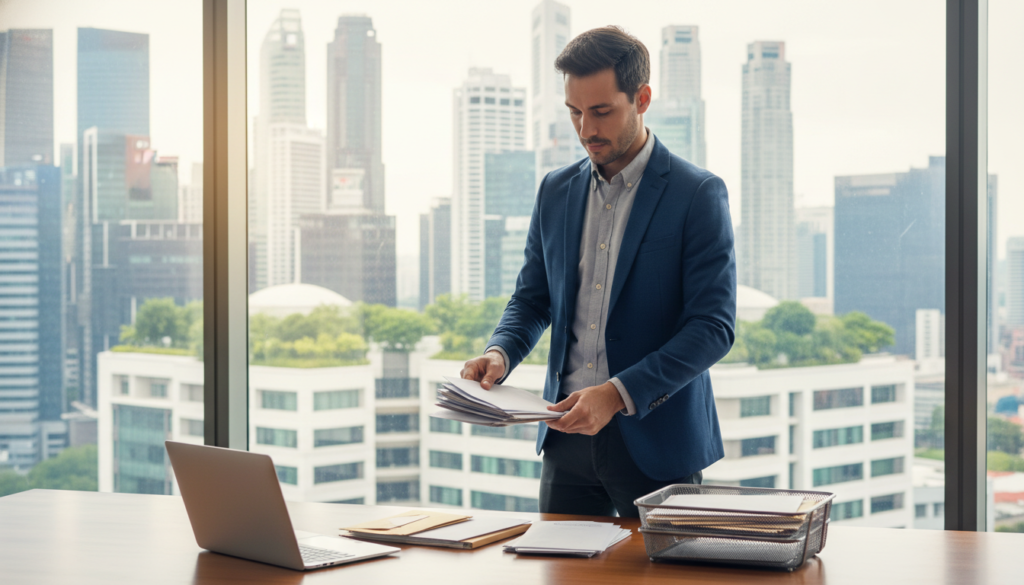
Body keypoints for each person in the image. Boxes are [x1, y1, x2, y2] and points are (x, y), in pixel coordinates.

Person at [460, 26, 736, 517]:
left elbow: (713, 328)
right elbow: (532, 298)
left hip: (658, 447)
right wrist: (500, 352)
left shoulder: (697, 193)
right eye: (574, 112)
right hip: (564, 443)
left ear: (642, 98)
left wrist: (616, 394)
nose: (586, 128)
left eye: (602, 111)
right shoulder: (555, 190)